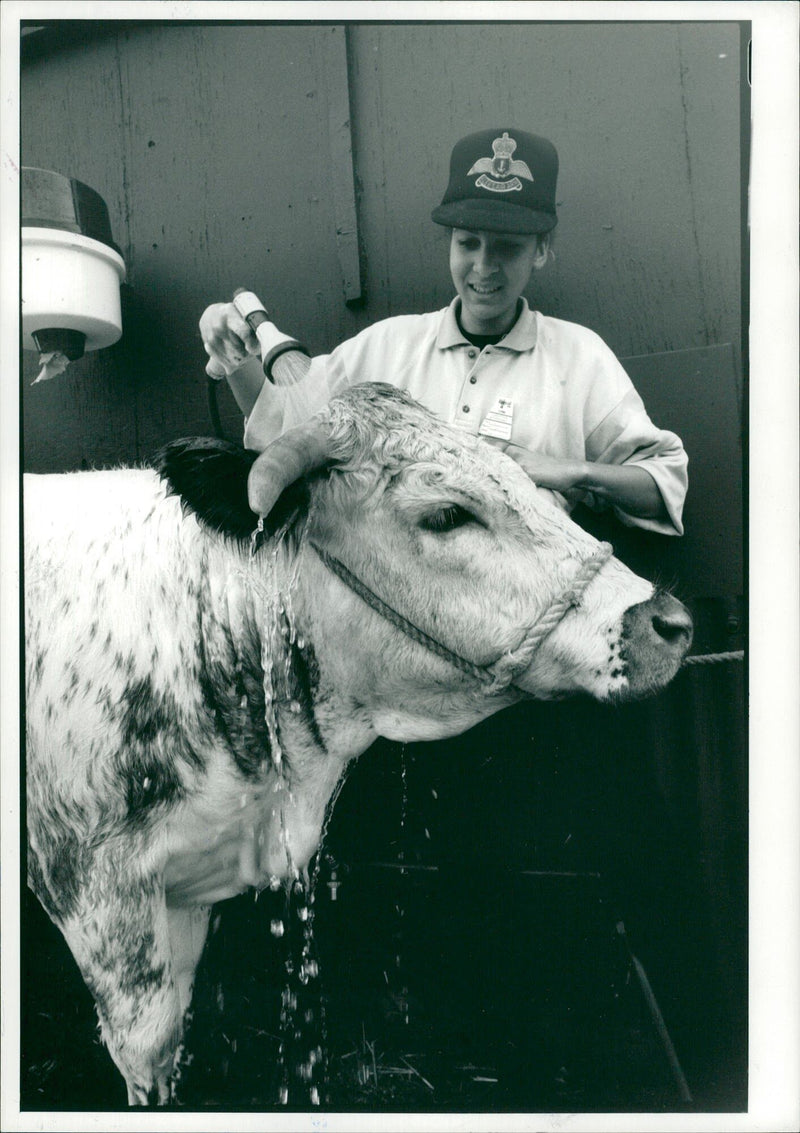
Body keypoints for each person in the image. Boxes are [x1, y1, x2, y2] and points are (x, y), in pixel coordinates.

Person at [200, 128, 687, 535]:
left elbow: (664, 481)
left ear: (540, 250)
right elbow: (282, 420)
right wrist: (234, 356)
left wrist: (571, 471)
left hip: (523, 610)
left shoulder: (578, 357)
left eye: (507, 247)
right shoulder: (388, 347)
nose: (483, 266)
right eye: (467, 242)